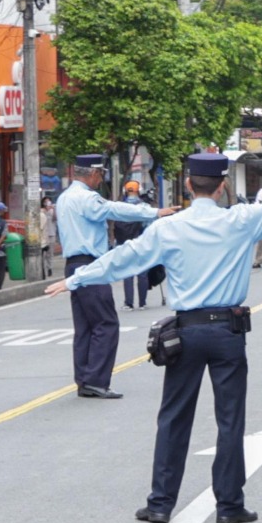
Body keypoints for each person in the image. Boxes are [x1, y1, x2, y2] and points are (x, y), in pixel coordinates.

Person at [47, 144, 262, 523]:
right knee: (229, 420)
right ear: (222, 186)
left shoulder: (169, 227)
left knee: (173, 418)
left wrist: (76, 279)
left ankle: (159, 504)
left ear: (188, 185)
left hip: (185, 333)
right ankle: (229, 506)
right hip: (227, 332)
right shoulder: (242, 220)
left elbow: (123, 259)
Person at [56, 155, 175, 398]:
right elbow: (114, 209)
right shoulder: (86, 198)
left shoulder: (65, 197)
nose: (101, 179)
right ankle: (97, 380)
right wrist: (154, 212)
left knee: (85, 327)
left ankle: (85, 380)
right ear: (92, 173)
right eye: (100, 174)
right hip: (91, 265)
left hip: (73, 265)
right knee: (105, 323)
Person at [112, 180, 152, 309]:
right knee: (142, 274)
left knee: (127, 274)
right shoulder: (145, 207)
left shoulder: (120, 207)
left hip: (124, 244)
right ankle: (142, 303)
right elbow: (150, 227)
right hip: (141, 244)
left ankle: (128, 303)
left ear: (125, 191)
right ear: (139, 191)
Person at [38, 196, 59, 279]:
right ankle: (43, 269)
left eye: (49, 202)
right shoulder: (41, 211)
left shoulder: (52, 211)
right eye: (46, 202)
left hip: (51, 234)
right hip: (43, 236)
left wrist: (53, 209)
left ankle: (49, 268)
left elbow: (55, 218)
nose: (47, 203)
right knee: (43, 254)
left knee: (50, 253)